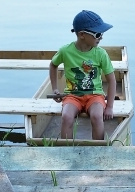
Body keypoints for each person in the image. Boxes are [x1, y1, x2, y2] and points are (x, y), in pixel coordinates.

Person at [49, 10, 116, 140]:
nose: (101, 37)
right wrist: (55, 88)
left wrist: (110, 107)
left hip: (95, 95)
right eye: (97, 34)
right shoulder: (65, 51)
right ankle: (66, 151)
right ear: (82, 35)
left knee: (97, 116)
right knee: (66, 117)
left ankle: (98, 152)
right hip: (72, 95)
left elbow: (112, 80)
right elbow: (53, 65)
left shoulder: (101, 54)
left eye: (101, 34)